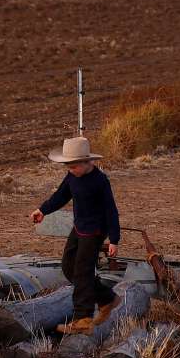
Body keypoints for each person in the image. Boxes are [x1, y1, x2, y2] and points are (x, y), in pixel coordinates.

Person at [30, 136, 121, 335]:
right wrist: (43, 210)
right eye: (68, 167)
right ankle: (106, 298)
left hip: (95, 230)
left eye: (74, 167)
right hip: (79, 227)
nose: (70, 171)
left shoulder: (100, 181)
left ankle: (83, 319)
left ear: (88, 162)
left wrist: (114, 239)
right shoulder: (72, 177)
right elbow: (61, 195)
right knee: (68, 266)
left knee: (82, 271)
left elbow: (111, 210)